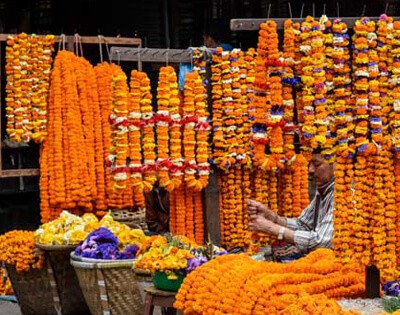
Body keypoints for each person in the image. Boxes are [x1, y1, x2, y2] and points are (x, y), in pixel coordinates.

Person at [247, 153, 335, 255]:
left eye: (316, 164)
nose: (310, 170)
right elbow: (303, 226)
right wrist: (272, 217)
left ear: (335, 164)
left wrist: (272, 228)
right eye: (309, 164)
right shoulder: (322, 191)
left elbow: (320, 243)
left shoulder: (345, 194)